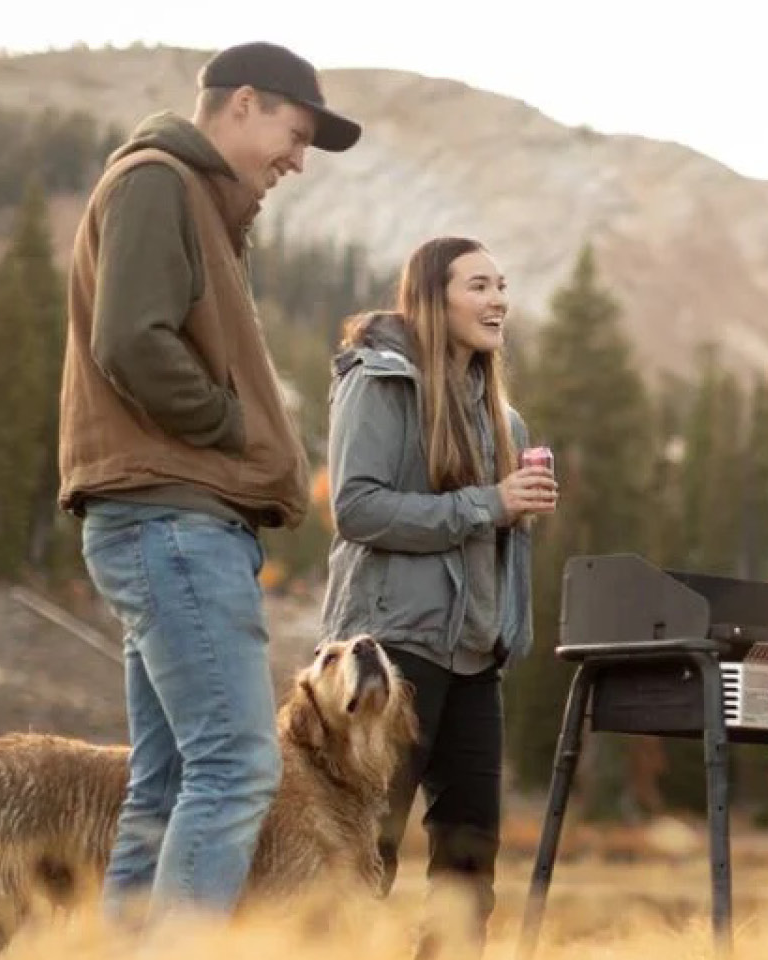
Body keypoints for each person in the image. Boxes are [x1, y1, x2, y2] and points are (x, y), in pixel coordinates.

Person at [57, 42, 360, 924]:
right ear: (244, 104)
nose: (296, 162)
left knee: (171, 779)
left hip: (170, 521)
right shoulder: (159, 182)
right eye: (295, 136)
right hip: (172, 519)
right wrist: (235, 428)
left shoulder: (196, 200)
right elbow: (132, 340)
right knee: (237, 764)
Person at [320, 237, 555, 950]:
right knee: (365, 845)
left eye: (503, 286)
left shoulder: (503, 420)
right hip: (389, 654)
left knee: (468, 857)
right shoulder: (379, 382)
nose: (498, 302)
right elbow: (356, 509)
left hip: (476, 658)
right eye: (479, 286)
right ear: (432, 297)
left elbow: (489, 531)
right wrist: (488, 503)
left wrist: (511, 513)